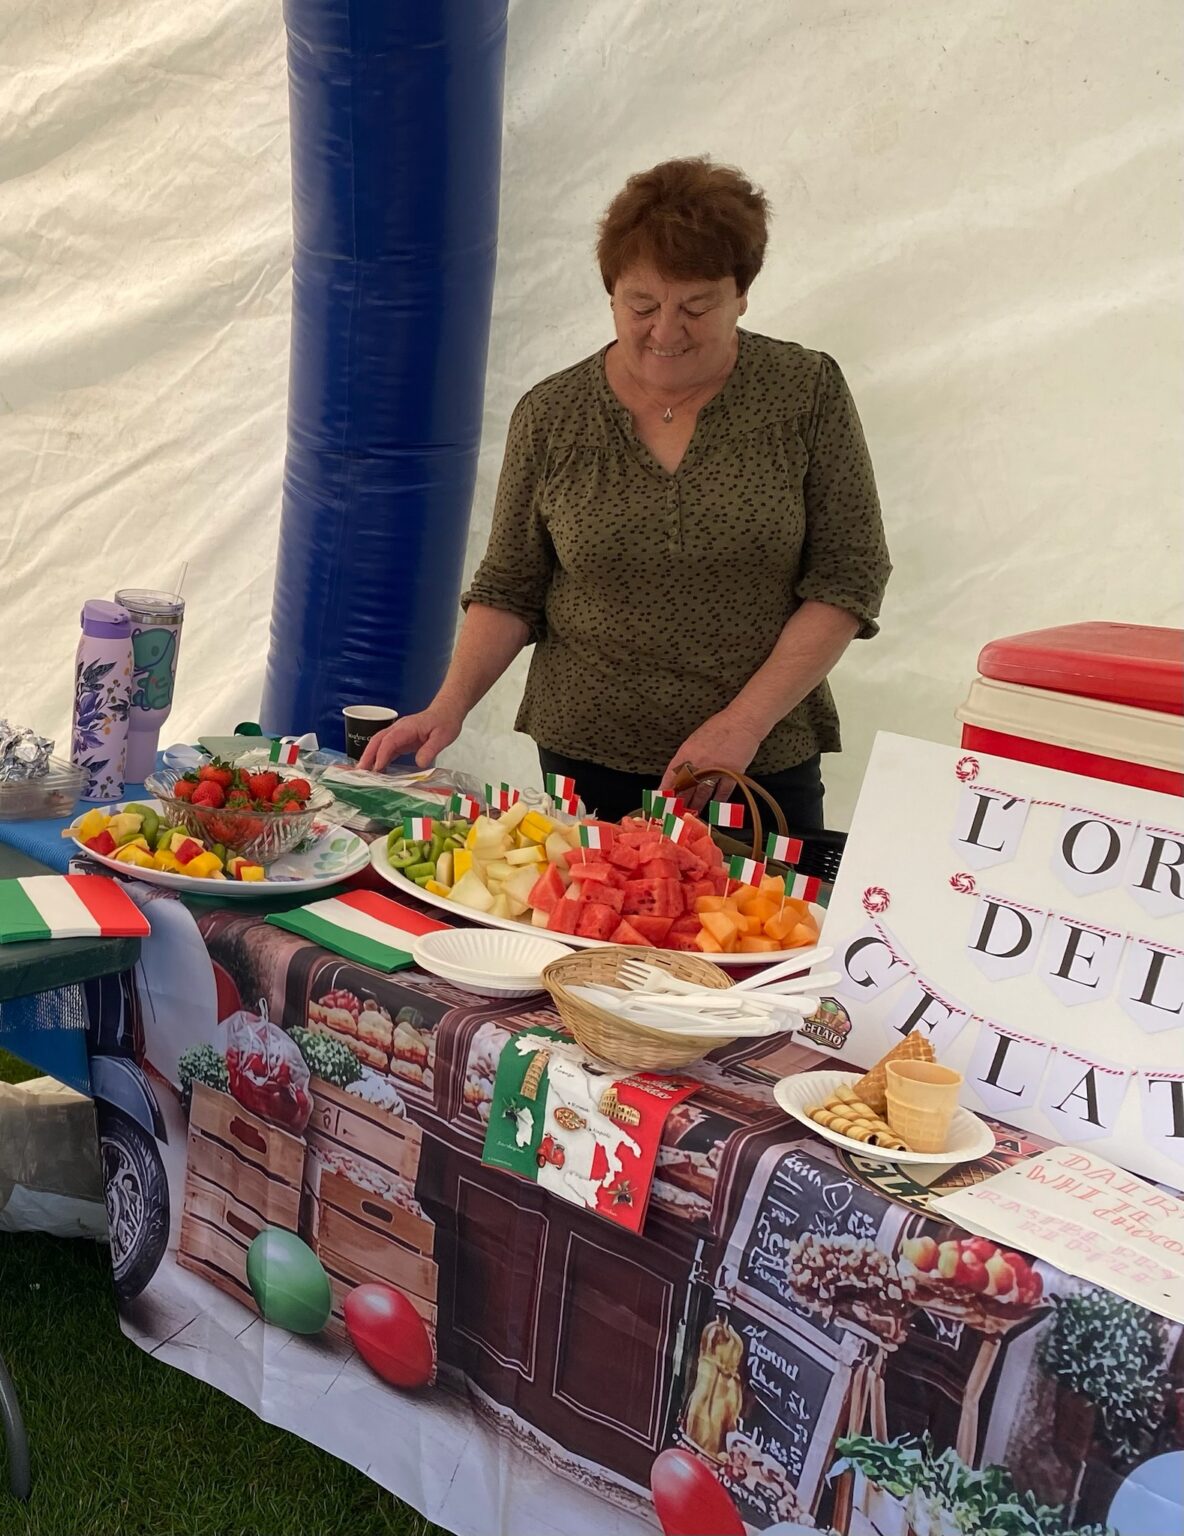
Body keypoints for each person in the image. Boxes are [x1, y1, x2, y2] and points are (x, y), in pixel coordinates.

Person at [361, 157, 891, 833]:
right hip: (585, 757)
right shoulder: (553, 415)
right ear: (611, 292)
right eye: (642, 305)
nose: (665, 332)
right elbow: (512, 585)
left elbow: (849, 575)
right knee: (596, 935)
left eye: (696, 306)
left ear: (743, 294)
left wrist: (743, 724)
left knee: (760, 932)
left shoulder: (804, 393)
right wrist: (447, 707)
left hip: (754, 760)